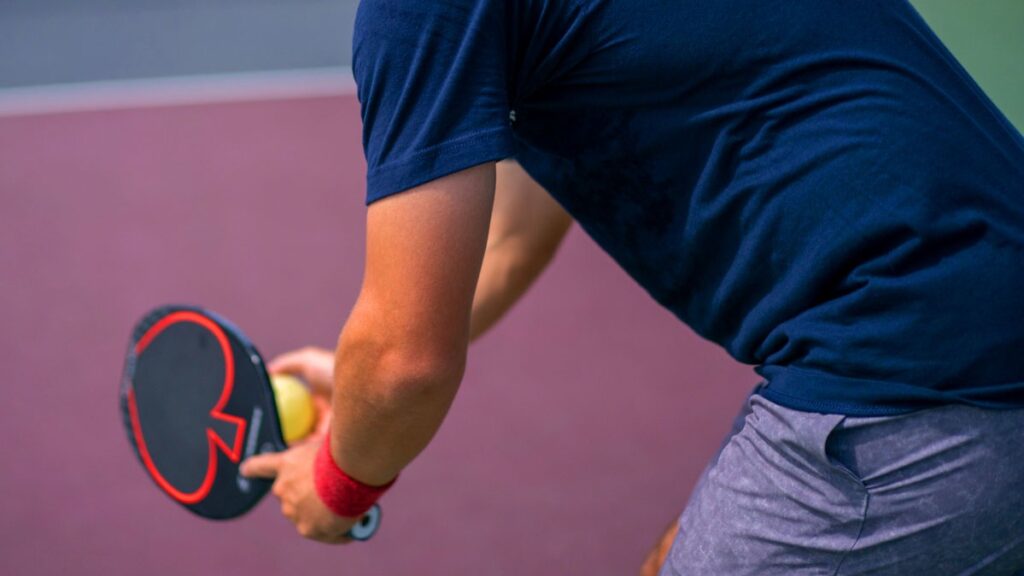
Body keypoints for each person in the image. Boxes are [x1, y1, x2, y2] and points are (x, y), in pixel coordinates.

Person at [240, 0, 1024, 573]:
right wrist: (356, 385)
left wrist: (341, 481)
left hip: (914, 366)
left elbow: (408, 362)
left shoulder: (416, 13)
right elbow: (510, 241)